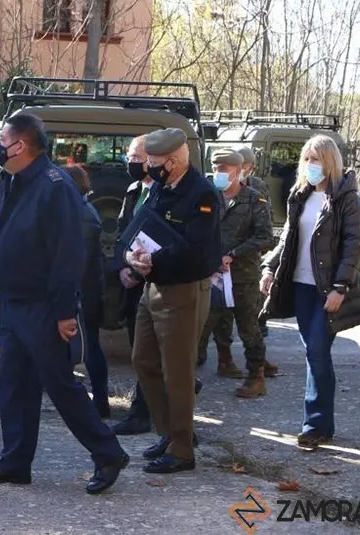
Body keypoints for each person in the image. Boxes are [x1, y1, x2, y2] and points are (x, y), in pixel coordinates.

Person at [0, 112, 128, 496]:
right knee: (12, 386)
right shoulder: (12, 179)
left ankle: (108, 453)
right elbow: (3, 235)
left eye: (2, 138)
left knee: (59, 385)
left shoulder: (54, 185)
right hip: (12, 302)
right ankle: (15, 462)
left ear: (19, 145)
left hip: (43, 307)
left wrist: (62, 312)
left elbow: (67, 254)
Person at [260, 135, 360, 450]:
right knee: (313, 353)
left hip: (328, 290)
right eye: (307, 159)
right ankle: (322, 425)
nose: (310, 165)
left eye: (316, 160)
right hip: (300, 287)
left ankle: (316, 426)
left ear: (330, 162)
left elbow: (354, 245)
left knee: (317, 352)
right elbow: (289, 239)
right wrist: (269, 268)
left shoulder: (346, 198)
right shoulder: (300, 194)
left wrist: (340, 287)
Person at [125, 128, 220, 473]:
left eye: (156, 163)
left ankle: (182, 450)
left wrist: (155, 261)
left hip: (183, 290)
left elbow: (194, 248)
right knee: (143, 361)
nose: (149, 169)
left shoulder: (202, 193)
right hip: (152, 286)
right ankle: (168, 433)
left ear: (176, 161)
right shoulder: (161, 188)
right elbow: (138, 228)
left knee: (177, 373)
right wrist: (130, 257)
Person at [197, 149, 276, 398]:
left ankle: (256, 377)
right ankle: (188, 377)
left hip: (242, 277)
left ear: (238, 170)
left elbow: (265, 237)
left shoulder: (254, 200)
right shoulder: (207, 197)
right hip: (212, 277)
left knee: (249, 328)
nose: (218, 173)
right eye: (215, 168)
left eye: (224, 169)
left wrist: (235, 254)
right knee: (201, 327)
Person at [109, 135, 154, 436]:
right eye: (129, 155)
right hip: (130, 280)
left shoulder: (162, 194)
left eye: (137, 157)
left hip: (152, 283)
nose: (130, 162)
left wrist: (137, 274)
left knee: (148, 353)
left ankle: (143, 412)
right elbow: (123, 234)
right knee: (139, 349)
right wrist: (123, 268)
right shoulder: (133, 190)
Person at [60, 163, 110, 419]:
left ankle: (97, 401)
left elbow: (76, 260)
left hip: (83, 292)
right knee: (87, 345)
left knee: (87, 346)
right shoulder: (81, 209)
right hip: (86, 289)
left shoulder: (81, 213)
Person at [236, 145, 273, 338]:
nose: (242, 169)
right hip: (229, 250)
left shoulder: (258, 186)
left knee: (254, 303)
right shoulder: (221, 185)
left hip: (252, 250)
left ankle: (260, 331)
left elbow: (268, 216)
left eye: (245, 165)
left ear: (251, 167)